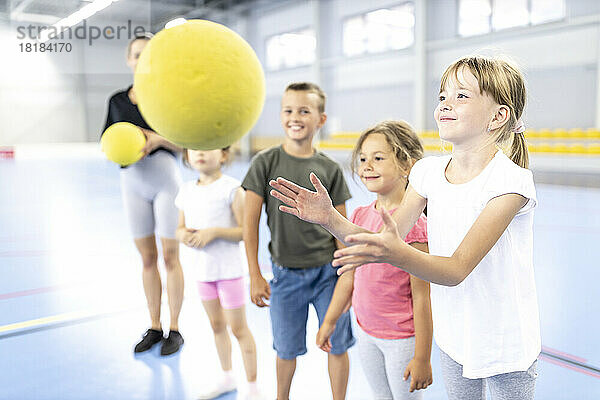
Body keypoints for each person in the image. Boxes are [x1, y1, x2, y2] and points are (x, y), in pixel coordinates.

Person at [269, 55, 540, 400]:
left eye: (461, 95)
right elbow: (384, 240)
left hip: (505, 342)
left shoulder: (511, 182)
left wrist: (397, 252)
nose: (445, 104)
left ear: (499, 116)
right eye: (442, 96)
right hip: (454, 336)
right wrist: (331, 219)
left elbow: (456, 269)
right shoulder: (428, 173)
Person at [242, 82, 355, 400]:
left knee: (337, 342)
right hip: (285, 276)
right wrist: (254, 273)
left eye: (305, 110)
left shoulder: (330, 169)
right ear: (281, 116)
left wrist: (348, 275)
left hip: (327, 275)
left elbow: (341, 229)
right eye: (289, 110)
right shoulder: (264, 163)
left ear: (320, 119)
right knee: (286, 348)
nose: (296, 117)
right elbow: (249, 224)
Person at [315, 121, 433, 399]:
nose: (367, 165)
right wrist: (330, 320)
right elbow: (349, 276)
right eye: (363, 159)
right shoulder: (358, 217)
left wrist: (423, 356)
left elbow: (422, 296)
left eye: (378, 158)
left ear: (407, 166)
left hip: (401, 339)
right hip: (366, 331)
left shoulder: (415, 226)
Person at [103, 33, 184, 355]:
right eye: (137, 54)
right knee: (148, 259)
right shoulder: (117, 101)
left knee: (169, 257)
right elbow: (108, 144)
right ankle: (154, 325)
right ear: (128, 59)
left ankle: (175, 329)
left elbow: (186, 144)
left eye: (148, 54)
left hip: (166, 180)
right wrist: (126, 148)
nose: (142, 59)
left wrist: (156, 139)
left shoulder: (169, 99)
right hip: (132, 182)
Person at [175, 148, 263, 400]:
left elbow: (245, 232)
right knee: (216, 325)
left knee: (238, 328)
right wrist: (185, 236)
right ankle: (226, 376)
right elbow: (179, 229)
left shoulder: (232, 189)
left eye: (208, 148)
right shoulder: (186, 191)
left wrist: (213, 232)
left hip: (229, 273)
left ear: (224, 155)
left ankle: (253, 385)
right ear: (187, 156)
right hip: (203, 273)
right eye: (195, 149)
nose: (200, 153)